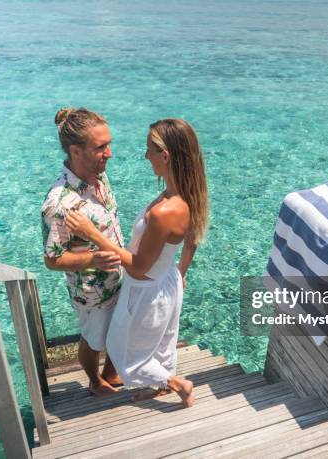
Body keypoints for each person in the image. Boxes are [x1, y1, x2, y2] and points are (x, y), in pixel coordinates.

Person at [65, 118, 208, 408]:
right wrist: (179, 273)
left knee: (122, 352)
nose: (145, 157)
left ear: (164, 156)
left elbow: (137, 266)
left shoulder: (166, 210)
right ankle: (160, 386)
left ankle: (179, 386)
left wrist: (93, 234)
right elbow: (191, 241)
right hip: (165, 282)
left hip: (145, 292)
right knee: (160, 345)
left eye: (149, 151)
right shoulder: (188, 194)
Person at [41, 107, 124, 396]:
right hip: (92, 293)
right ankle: (94, 380)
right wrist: (92, 259)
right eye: (101, 147)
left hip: (121, 278)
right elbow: (52, 259)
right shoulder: (60, 203)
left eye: (108, 144)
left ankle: (112, 372)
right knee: (94, 341)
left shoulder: (99, 177)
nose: (109, 153)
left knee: (121, 329)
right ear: (76, 151)